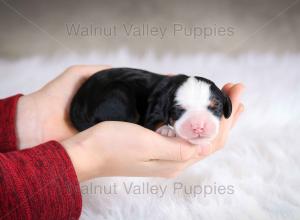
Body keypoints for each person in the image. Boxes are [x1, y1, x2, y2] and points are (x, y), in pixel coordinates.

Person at [0, 65, 244, 219]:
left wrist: (27, 118)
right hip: (107, 96)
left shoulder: (175, 91)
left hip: (100, 96)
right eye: (181, 111)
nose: (199, 124)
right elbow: (152, 115)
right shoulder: (162, 98)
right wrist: (91, 156)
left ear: (225, 106)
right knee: (128, 103)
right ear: (167, 106)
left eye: (213, 111)